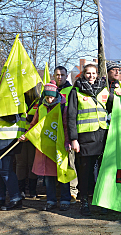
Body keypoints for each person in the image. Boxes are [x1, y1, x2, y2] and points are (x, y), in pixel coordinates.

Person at [67, 64, 113, 216]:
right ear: (83, 74)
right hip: (85, 138)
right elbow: (71, 117)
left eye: (94, 73)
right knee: (85, 172)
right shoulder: (76, 91)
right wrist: (74, 139)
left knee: (102, 172)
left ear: (98, 75)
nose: (91, 76)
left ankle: (102, 202)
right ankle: (84, 202)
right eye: (88, 73)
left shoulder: (104, 90)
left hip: (103, 137)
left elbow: (116, 106)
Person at [19, 81, 71, 211]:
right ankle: (51, 200)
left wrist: (67, 142)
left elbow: (66, 126)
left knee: (62, 171)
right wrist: (26, 135)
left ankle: (65, 199)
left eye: (52, 96)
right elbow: (34, 124)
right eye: (47, 97)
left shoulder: (62, 107)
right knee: (48, 176)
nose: (50, 99)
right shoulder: (41, 107)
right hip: (45, 147)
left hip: (59, 145)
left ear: (56, 95)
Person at [53, 66, 78, 204]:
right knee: (57, 162)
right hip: (53, 132)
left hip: (67, 132)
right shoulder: (51, 90)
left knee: (70, 163)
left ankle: (72, 191)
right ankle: (59, 189)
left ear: (66, 75)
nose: (60, 77)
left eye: (62, 74)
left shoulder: (71, 91)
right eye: (57, 74)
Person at [16, 87, 40, 199]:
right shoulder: (17, 99)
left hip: (32, 136)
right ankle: (21, 190)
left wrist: (29, 117)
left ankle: (32, 190)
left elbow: (40, 118)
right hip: (19, 136)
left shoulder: (39, 101)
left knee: (32, 163)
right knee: (21, 164)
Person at [0, 114, 23, 210]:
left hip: (8, 138)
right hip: (6, 137)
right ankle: (2, 198)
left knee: (6, 171)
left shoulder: (10, 99)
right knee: (2, 171)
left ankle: (16, 198)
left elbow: (12, 117)